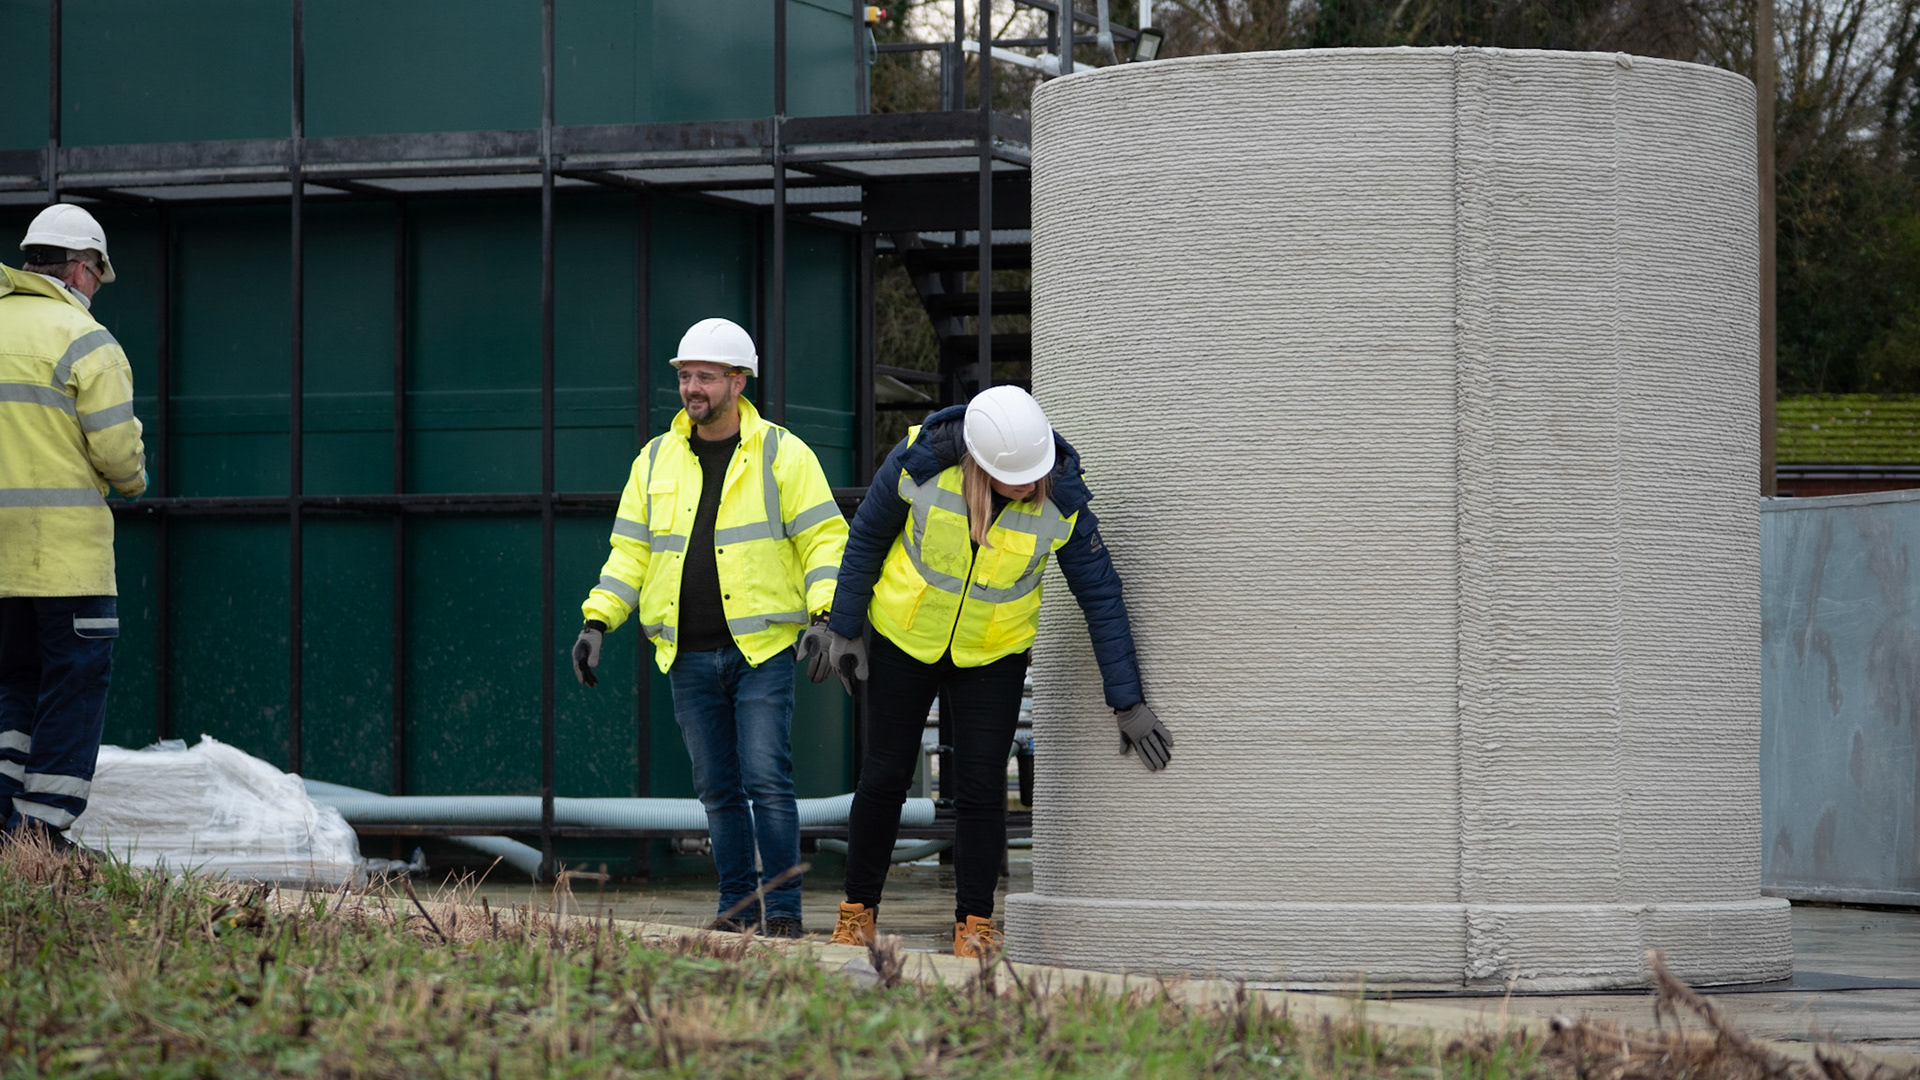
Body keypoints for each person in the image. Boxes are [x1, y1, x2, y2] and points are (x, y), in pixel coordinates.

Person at [810, 386, 1172, 957]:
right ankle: (857, 913)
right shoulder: (920, 465)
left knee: (982, 791)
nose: (1030, 486)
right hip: (905, 639)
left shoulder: (1062, 497)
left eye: (1036, 474)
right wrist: (845, 626)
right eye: (1017, 477)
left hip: (993, 655)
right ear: (980, 463)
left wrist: (1126, 700)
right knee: (883, 780)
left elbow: (1101, 595)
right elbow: (866, 541)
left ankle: (974, 925)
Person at [571, 317, 847, 937]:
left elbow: (825, 541)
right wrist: (597, 621)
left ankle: (782, 914)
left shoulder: (783, 452)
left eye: (705, 377)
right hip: (685, 655)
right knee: (718, 793)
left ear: (738, 381)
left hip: (761, 650)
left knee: (767, 782)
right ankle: (737, 909)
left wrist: (826, 616)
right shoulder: (655, 460)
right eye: (685, 376)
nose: (691, 387)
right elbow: (629, 554)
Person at [0, 204, 148, 850]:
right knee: (72, 686)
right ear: (83, 270)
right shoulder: (87, 342)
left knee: (12, 689)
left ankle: (7, 828)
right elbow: (120, 458)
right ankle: (39, 839)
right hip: (68, 563)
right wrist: (134, 481)